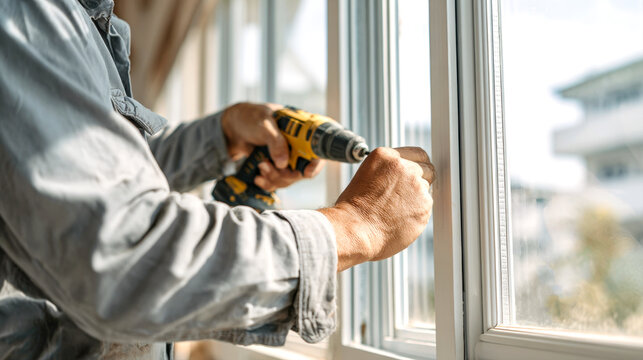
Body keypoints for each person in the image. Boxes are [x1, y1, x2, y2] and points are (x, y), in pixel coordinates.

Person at [0, 0, 435, 359]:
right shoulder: (25, 17)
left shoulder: (74, 19)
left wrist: (221, 136)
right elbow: (121, 260)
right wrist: (355, 225)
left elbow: (83, 178)